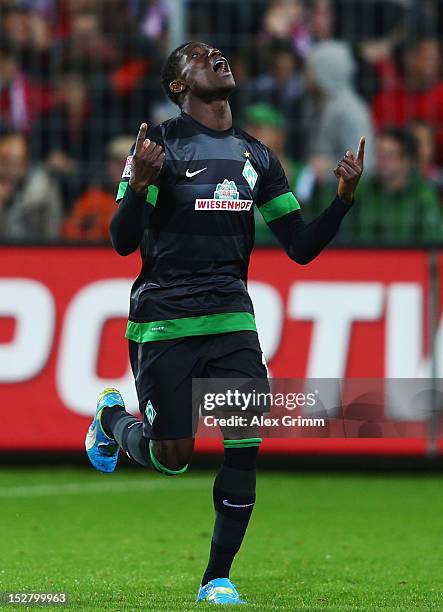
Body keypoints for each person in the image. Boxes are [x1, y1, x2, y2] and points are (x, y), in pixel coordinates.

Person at [84, 42, 365, 605]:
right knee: (173, 457)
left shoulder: (258, 157)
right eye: (196, 55)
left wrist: (341, 201)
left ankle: (216, 577)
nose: (215, 54)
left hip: (233, 317)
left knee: (244, 442)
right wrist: (139, 185)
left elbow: (301, 247)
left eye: (215, 51)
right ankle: (113, 419)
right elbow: (121, 242)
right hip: (164, 319)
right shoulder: (156, 145)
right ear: (178, 87)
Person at [347, 127, 443, 242]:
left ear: (407, 161)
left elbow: (433, 243)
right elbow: (344, 237)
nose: (381, 161)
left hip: (410, 259)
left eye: (388, 156)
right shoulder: (360, 192)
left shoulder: (424, 195)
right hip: (363, 259)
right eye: (378, 154)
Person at [62, 135, 133, 242]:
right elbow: (69, 230)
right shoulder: (93, 197)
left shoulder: (144, 199)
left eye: (126, 164)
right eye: (116, 162)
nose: (121, 169)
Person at [0, 129, 62, 239]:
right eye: (5, 160)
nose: (11, 168)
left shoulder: (42, 188)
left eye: (17, 161)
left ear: (26, 163)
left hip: (36, 251)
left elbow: (51, 233)